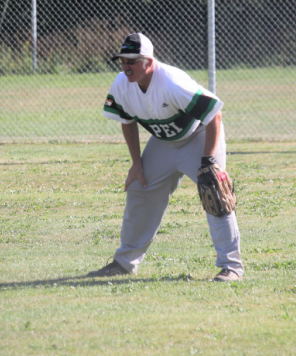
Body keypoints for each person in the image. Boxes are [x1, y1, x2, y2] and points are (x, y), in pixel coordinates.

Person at [87, 33, 243, 281]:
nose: (126, 66)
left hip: (199, 137)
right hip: (163, 143)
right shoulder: (121, 84)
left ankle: (231, 267)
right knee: (140, 187)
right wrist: (136, 164)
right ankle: (124, 263)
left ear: (149, 61)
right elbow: (126, 120)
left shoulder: (171, 81)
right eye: (122, 60)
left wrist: (209, 161)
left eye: (133, 60)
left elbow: (215, 115)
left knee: (214, 192)